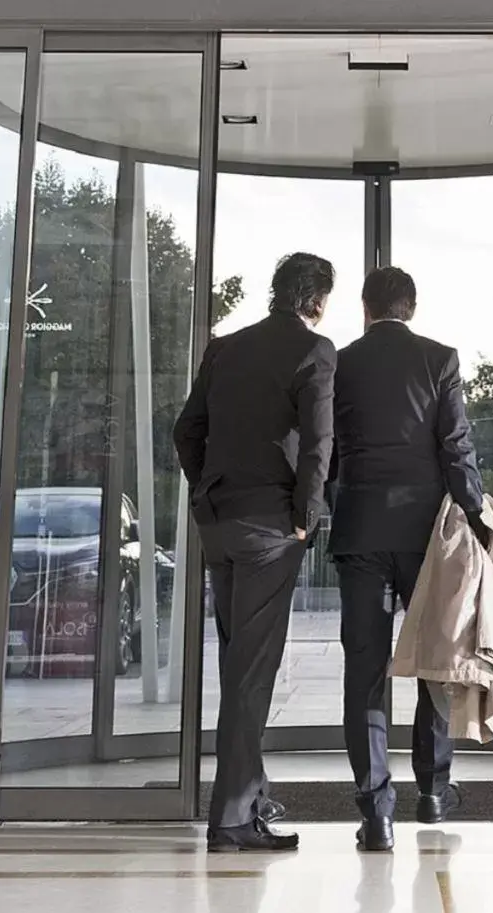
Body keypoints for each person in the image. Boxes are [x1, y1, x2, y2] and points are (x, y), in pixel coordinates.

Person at [173, 252, 337, 853]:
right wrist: (305, 517)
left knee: (240, 667)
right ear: (316, 300)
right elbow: (318, 444)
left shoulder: (225, 348)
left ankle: (251, 796)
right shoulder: (315, 352)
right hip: (271, 528)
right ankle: (233, 819)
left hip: (219, 523)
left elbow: (185, 431)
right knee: (252, 673)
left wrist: (206, 490)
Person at [328, 265, 490, 852]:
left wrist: (332, 501)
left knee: (364, 675)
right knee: (434, 664)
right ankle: (433, 792)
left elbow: (326, 449)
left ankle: (377, 814)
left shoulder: (340, 362)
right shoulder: (439, 359)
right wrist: (475, 514)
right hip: (427, 536)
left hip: (360, 534)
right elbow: (456, 444)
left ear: (365, 308)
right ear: (411, 309)